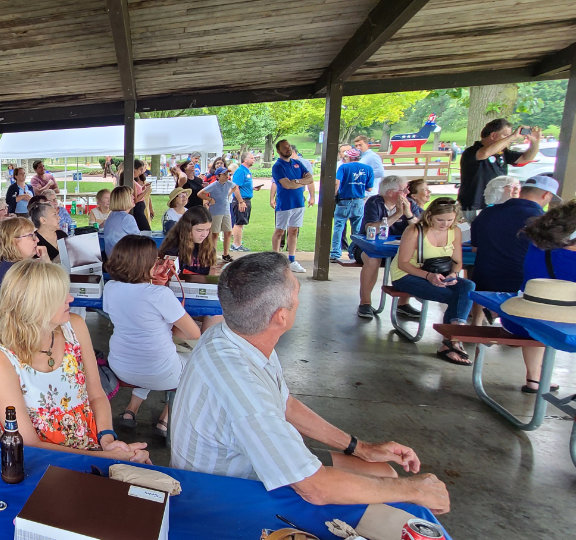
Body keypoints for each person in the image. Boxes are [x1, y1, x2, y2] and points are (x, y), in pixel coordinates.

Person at [169, 252, 449, 513]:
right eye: (297, 292)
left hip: (241, 466)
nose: (299, 300)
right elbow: (315, 489)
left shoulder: (230, 334)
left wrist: (360, 447)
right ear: (281, 316)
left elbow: (285, 403)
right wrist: (416, 488)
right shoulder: (245, 390)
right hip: (223, 495)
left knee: (383, 472)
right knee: (391, 497)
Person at [0, 259, 150, 463]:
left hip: (89, 447)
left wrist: (107, 439)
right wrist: (104, 457)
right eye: (60, 296)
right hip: (32, 461)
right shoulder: (0, 358)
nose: (70, 299)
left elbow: (96, 395)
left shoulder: (75, 327)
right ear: (35, 304)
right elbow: (27, 442)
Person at [103, 236, 201, 435]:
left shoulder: (110, 288)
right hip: (162, 373)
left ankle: (131, 410)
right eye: (155, 260)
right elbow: (194, 333)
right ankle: (165, 418)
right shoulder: (159, 295)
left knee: (154, 354)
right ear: (146, 264)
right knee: (198, 361)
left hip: (121, 367)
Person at [391, 198, 475, 364]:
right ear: (429, 216)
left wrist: (454, 274)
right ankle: (452, 341)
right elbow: (403, 263)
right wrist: (428, 276)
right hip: (406, 275)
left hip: (439, 273)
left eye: (450, 220)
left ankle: (453, 334)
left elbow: (457, 262)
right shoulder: (415, 230)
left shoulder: (455, 231)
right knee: (452, 296)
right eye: (440, 220)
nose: (445, 224)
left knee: (468, 286)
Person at [515, 198, 576, 392]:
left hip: (524, 319)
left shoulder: (537, 247)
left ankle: (534, 378)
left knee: (539, 313)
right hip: (562, 326)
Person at [471, 174, 556, 299]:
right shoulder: (543, 220)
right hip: (521, 287)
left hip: (484, 281)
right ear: (546, 195)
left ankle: (478, 318)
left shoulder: (487, 212)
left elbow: (475, 248)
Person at [354, 176, 419, 319]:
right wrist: (397, 214)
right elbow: (371, 228)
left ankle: (403, 304)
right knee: (372, 259)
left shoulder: (411, 204)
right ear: (390, 192)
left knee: (413, 260)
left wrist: (407, 214)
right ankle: (365, 303)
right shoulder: (375, 202)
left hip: (396, 249)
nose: (407, 192)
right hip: (368, 246)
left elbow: (420, 229)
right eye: (404, 190)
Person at [458, 118, 541, 221]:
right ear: (493, 135)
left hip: (497, 204)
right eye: (506, 135)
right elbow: (484, 153)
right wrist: (512, 137)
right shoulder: (472, 151)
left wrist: (535, 142)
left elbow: (526, 158)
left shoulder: (503, 152)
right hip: (476, 205)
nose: (510, 139)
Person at [0, 217, 42, 339]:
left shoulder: (3, 266)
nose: (37, 240)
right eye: (31, 236)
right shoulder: (20, 273)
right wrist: (46, 264)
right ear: (13, 241)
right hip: (12, 343)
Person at [269, 139, 315, 272]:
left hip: (299, 202)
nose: (288, 149)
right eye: (284, 148)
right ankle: (276, 259)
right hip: (285, 204)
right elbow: (286, 185)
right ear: (278, 151)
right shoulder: (278, 166)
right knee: (279, 231)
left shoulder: (298, 163)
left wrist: (296, 181)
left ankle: (292, 259)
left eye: (288, 147)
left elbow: (310, 178)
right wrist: (301, 182)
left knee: (294, 231)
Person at [331, 148, 375, 261]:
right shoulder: (368, 169)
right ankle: (354, 252)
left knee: (338, 227)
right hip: (359, 201)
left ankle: (335, 253)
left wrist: (334, 195)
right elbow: (369, 188)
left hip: (344, 201)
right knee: (357, 229)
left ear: (348, 157)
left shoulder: (343, 167)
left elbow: (337, 182)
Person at [199, 166, 244, 262]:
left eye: (227, 174)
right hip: (216, 212)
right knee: (215, 233)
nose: (226, 176)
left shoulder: (229, 184)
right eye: (224, 174)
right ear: (218, 176)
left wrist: (228, 194)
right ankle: (212, 254)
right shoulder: (214, 185)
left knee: (227, 232)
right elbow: (200, 193)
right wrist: (210, 199)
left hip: (226, 211)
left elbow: (235, 187)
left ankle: (226, 254)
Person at [159, 205, 216, 277]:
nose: (204, 234)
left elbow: (210, 274)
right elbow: (167, 277)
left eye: (207, 230)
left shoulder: (208, 246)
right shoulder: (172, 247)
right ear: (187, 228)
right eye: (199, 230)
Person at [102, 185, 143, 256]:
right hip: (124, 261)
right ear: (124, 199)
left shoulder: (111, 215)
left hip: (112, 259)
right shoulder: (127, 218)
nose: (133, 197)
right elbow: (139, 242)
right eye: (131, 195)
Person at [230, 152, 256, 252]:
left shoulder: (246, 171)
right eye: (252, 158)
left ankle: (238, 243)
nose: (254, 160)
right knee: (239, 222)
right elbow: (235, 187)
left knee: (242, 222)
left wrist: (252, 188)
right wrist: (240, 201)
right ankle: (236, 245)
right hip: (241, 200)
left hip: (246, 199)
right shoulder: (240, 171)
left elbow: (243, 185)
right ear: (245, 159)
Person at [122, 159, 154, 229]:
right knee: (146, 230)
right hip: (138, 208)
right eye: (140, 169)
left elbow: (137, 193)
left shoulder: (133, 180)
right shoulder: (132, 181)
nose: (141, 172)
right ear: (134, 169)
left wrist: (143, 188)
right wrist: (146, 191)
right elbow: (136, 199)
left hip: (140, 208)